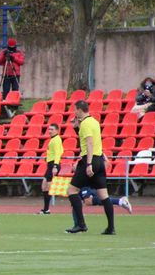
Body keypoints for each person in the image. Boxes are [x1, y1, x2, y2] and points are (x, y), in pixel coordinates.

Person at [65, 100, 115, 235]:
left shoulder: (86, 123)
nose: (74, 112)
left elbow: (89, 143)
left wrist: (88, 164)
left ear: (80, 110)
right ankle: (111, 228)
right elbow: (93, 141)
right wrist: (76, 127)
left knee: (71, 191)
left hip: (90, 160)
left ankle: (81, 224)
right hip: (98, 160)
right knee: (104, 196)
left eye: (75, 110)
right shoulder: (94, 121)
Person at [38, 123, 64, 214]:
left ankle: (46, 209)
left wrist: (55, 166)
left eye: (52, 129)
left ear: (57, 130)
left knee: (48, 186)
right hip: (50, 164)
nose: (50, 131)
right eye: (49, 129)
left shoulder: (56, 139)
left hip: (53, 164)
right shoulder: (53, 139)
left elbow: (58, 153)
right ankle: (46, 209)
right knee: (44, 186)